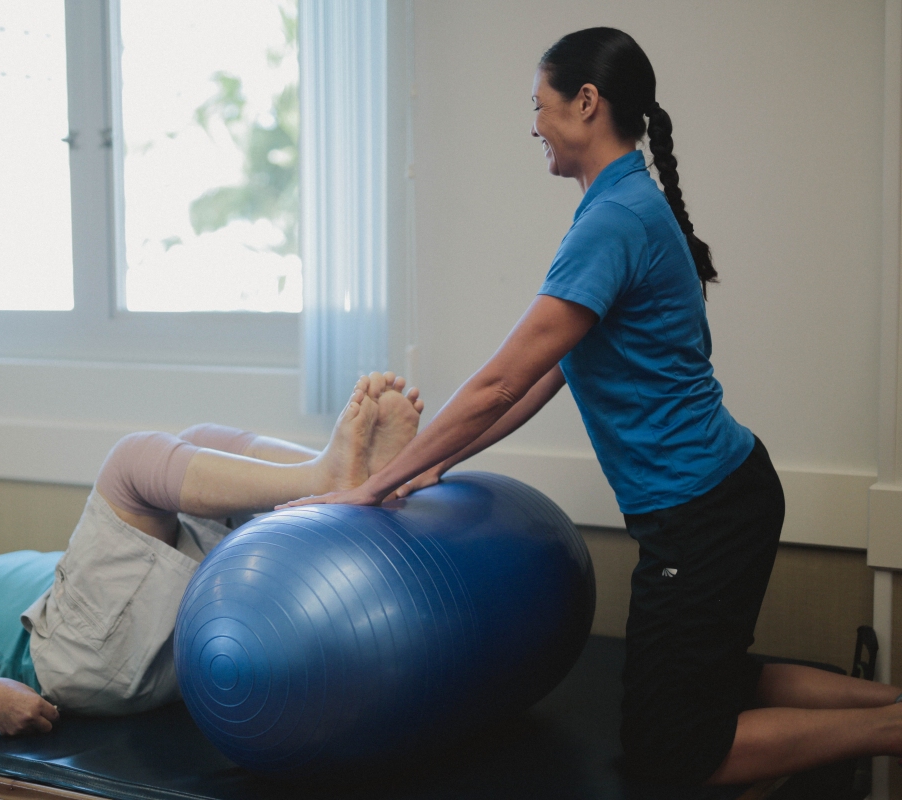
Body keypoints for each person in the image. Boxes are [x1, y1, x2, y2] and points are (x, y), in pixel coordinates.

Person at [283, 27, 902, 787]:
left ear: (586, 103)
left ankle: (893, 729)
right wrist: (433, 464)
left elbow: (498, 383)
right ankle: (892, 706)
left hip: (703, 513)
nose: (533, 123)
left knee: (672, 755)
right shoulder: (625, 206)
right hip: (724, 496)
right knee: (720, 682)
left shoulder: (615, 221)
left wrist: (375, 486)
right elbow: (547, 377)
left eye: (538, 105)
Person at [0, 374, 422, 735]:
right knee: (134, 461)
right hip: (75, 658)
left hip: (153, 629)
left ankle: (361, 480)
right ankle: (329, 480)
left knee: (201, 438)